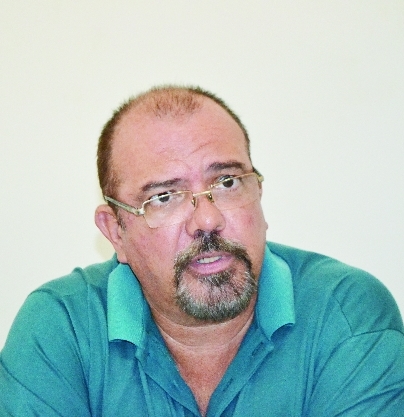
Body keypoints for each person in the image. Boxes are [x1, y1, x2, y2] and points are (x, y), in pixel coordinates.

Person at [0, 85, 403, 417]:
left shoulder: (347, 314)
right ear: (115, 232)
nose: (207, 219)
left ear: (258, 192)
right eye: (164, 197)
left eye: (227, 182)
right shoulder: (61, 328)